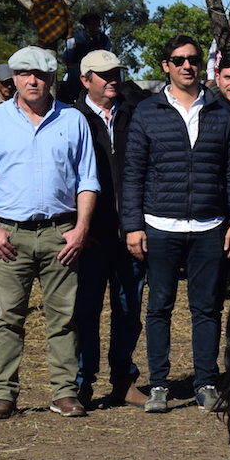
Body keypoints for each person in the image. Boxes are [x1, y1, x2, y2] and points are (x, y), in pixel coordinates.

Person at [0, 46, 99, 419]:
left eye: (39, 74)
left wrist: (80, 229)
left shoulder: (73, 120)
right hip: (10, 234)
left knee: (63, 317)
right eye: (24, 73)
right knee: (9, 316)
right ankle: (3, 393)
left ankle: (63, 392)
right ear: (14, 78)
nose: (31, 81)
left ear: (52, 78)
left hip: (61, 232)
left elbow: (87, 181)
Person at [122, 35, 230, 414]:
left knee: (206, 308)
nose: (187, 66)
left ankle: (206, 382)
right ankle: (159, 384)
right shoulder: (148, 112)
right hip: (159, 225)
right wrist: (133, 225)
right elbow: (133, 174)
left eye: (193, 59)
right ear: (166, 65)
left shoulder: (220, 112)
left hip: (210, 226)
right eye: (178, 60)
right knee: (158, 306)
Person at [71, 49, 148, 408]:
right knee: (85, 310)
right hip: (90, 234)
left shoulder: (134, 115)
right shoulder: (72, 118)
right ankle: (82, 383)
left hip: (130, 230)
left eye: (115, 72)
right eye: (103, 74)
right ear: (86, 80)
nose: (112, 78)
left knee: (128, 309)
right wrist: (78, 226)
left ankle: (123, 379)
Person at [61, 12, 114, 103]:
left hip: (97, 71)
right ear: (85, 25)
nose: (92, 27)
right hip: (76, 73)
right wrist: (73, 66)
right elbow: (65, 58)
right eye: (89, 24)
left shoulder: (104, 39)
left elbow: (109, 56)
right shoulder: (74, 38)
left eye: (95, 24)